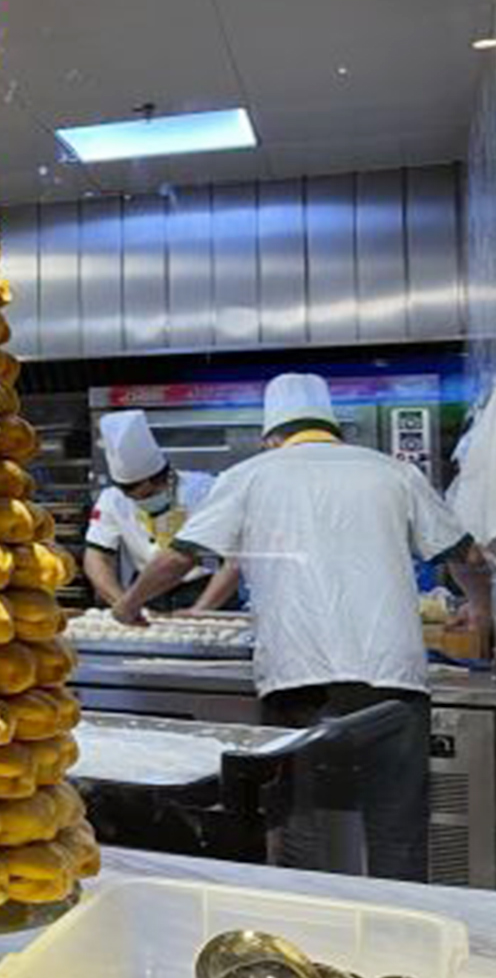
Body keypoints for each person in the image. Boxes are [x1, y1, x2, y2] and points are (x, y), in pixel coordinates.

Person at [114, 373, 493, 881]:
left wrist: (129, 604)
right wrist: (480, 608)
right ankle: (400, 927)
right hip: (393, 679)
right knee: (398, 832)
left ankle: (312, 927)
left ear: (272, 436)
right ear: (334, 429)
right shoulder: (393, 473)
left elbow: (179, 558)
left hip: (298, 679)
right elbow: (466, 555)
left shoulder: (248, 476)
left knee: (303, 833)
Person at [82, 409, 239, 612]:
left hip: (206, 588)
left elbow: (232, 561)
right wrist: (121, 604)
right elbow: (96, 557)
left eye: (148, 495)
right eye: (134, 498)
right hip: (146, 591)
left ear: (168, 478)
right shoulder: (112, 499)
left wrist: (201, 610)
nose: (142, 503)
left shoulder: (207, 491)